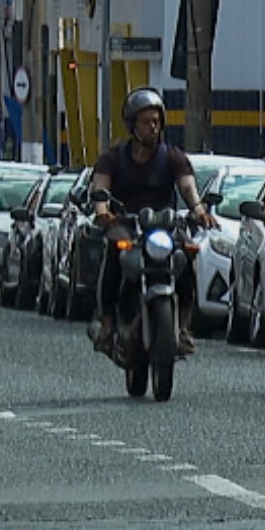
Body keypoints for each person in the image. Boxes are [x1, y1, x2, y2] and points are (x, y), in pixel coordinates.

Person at [89, 87, 217, 356]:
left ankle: (182, 327)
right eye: (146, 121)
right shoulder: (113, 158)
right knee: (114, 251)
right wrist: (103, 211)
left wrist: (199, 210)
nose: (153, 127)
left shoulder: (172, 157)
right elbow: (101, 186)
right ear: (132, 124)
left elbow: (188, 187)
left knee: (186, 254)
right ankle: (108, 322)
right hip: (127, 224)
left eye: (157, 121)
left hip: (164, 226)